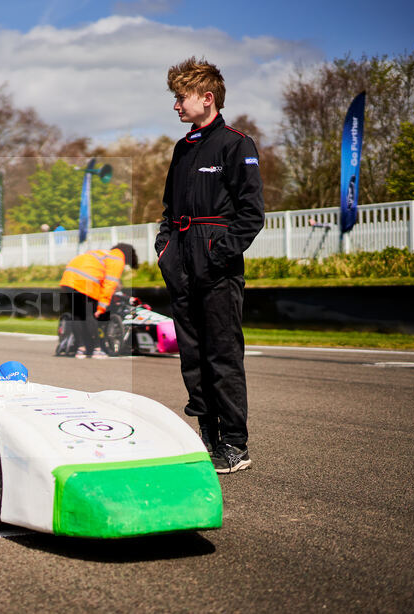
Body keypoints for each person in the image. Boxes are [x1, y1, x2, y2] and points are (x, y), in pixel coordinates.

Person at [155, 57, 265, 474]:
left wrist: (218, 255)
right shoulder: (181, 149)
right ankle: (208, 437)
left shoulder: (237, 144)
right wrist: (166, 250)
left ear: (207, 97)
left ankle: (236, 443)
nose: (176, 106)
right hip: (181, 259)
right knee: (193, 355)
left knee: (222, 354)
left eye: (180, 97)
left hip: (217, 265)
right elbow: (169, 210)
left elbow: (251, 215)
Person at [59, 243, 137, 359]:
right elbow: (110, 284)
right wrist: (101, 307)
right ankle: (97, 349)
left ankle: (81, 349)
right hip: (86, 281)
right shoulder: (117, 259)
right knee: (91, 315)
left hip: (69, 278)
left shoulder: (102, 253)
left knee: (78, 315)